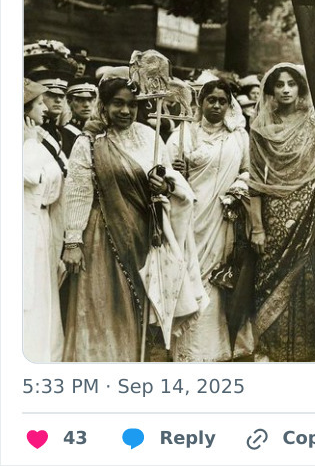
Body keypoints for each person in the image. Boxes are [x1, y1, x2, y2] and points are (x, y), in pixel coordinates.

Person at [61, 76, 204, 362]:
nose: (125, 111)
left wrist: (165, 187)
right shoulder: (89, 142)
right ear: (103, 105)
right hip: (102, 235)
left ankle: (130, 363)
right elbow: (77, 191)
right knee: (101, 302)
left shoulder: (149, 138)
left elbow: (171, 181)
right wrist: (73, 241)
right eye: (118, 104)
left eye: (132, 105)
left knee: (137, 303)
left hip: (142, 232)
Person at [166, 79, 251, 362]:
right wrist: (177, 173)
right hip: (189, 217)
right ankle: (188, 351)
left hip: (223, 217)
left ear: (229, 104)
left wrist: (237, 189)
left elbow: (249, 170)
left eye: (222, 101)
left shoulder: (238, 136)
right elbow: (164, 176)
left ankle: (217, 348)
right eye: (210, 100)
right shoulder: (183, 134)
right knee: (190, 275)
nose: (216, 105)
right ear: (200, 102)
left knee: (217, 279)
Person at [248, 64, 315, 361]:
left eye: (291, 83)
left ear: (300, 88)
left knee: (303, 276)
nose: (285, 89)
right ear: (270, 91)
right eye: (279, 84)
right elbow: (254, 180)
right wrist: (257, 227)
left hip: (307, 206)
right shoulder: (259, 127)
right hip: (273, 211)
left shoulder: (314, 125)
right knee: (270, 276)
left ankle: (300, 352)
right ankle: (269, 349)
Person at [24, 79, 66, 361]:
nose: (44, 108)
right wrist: (29, 144)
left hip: (41, 221)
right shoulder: (28, 141)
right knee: (29, 289)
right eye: (39, 103)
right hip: (25, 222)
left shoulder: (38, 137)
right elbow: (32, 176)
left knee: (42, 286)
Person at [62, 79, 98, 157]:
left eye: (90, 99)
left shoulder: (101, 132)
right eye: (80, 100)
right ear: (69, 102)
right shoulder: (63, 134)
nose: (86, 105)